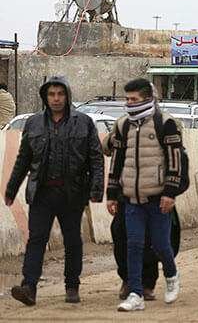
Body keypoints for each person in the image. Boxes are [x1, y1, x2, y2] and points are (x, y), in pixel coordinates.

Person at [4, 76, 104, 306]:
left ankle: (72, 286)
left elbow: (95, 158)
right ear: (45, 97)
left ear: (67, 95)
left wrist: (97, 188)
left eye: (60, 94)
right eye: (52, 94)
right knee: (36, 239)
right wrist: (12, 188)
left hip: (73, 192)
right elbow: (23, 159)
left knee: (72, 240)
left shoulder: (84, 122)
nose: (56, 99)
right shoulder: (34, 123)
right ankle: (29, 286)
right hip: (42, 193)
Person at [106, 78, 184, 312]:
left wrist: (170, 193)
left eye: (134, 100)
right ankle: (135, 293)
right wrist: (112, 193)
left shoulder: (166, 123)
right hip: (131, 198)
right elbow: (117, 161)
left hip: (158, 197)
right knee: (134, 245)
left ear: (148, 99)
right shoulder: (123, 126)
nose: (130, 104)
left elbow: (175, 161)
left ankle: (171, 274)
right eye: (127, 99)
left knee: (161, 244)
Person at [102, 127, 181, 301]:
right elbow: (106, 148)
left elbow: (177, 157)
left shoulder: (165, 124)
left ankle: (147, 283)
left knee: (153, 242)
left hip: (155, 195)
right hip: (127, 194)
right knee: (123, 238)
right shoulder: (123, 126)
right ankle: (128, 280)